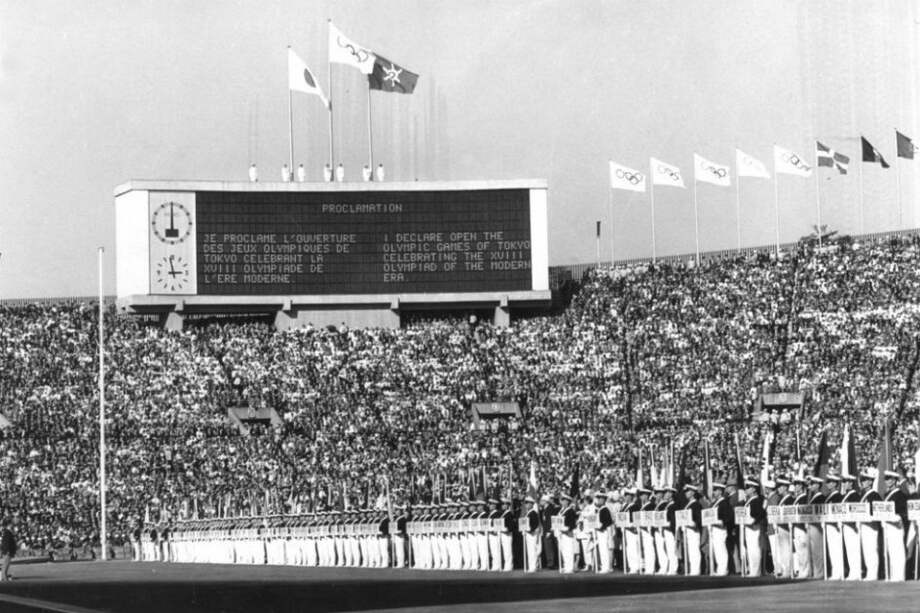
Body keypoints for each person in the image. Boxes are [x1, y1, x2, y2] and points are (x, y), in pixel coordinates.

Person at [883, 470, 907, 581]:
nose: (887, 481)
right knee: (891, 551)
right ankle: (893, 575)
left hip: (896, 526)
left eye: (889, 479)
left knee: (898, 551)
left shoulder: (900, 494)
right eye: (886, 479)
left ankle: (900, 576)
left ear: (894, 480)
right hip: (887, 525)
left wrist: (898, 517)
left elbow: (903, 512)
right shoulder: (886, 494)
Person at [858, 470, 881, 580]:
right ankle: (869, 572)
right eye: (861, 480)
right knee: (866, 550)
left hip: (871, 526)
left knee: (871, 549)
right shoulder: (862, 495)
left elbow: (878, 512)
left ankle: (873, 573)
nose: (862, 482)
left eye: (865, 480)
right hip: (863, 525)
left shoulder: (874, 495)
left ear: (871, 482)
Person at [806, 475, 826, 578]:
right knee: (811, 550)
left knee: (817, 550)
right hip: (810, 525)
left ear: (818, 485)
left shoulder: (821, 497)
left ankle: (819, 572)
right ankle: (814, 572)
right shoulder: (812, 497)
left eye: (812, 484)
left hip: (817, 526)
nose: (810, 486)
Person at [710, 482, 730, 576]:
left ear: (720, 491)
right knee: (717, 549)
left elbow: (727, 518)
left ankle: (723, 569)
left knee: (721, 549)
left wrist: (718, 522)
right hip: (714, 528)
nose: (714, 492)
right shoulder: (715, 502)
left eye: (715, 490)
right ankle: (719, 569)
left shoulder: (724, 503)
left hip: (720, 529)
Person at [681, 484, 703, 575]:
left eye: (688, 491)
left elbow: (698, 519)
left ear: (693, 492)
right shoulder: (688, 504)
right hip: (687, 530)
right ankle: (692, 569)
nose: (686, 493)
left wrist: (692, 523)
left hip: (694, 530)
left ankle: (696, 569)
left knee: (694, 550)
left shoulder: (696, 504)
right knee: (690, 550)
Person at [522, 496, 542, 572]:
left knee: (532, 550)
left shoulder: (533, 513)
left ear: (532, 504)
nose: (526, 505)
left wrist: (529, 529)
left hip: (532, 534)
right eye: (526, 503)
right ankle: (531, 566)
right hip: (528, 534)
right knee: (530, 551)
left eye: (528, 503)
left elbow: (535, 524)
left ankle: (533, 566)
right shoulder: (528, 513)